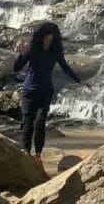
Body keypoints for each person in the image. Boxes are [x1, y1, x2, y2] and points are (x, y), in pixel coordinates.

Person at [14, 22, 90, 165]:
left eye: (50, 39)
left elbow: (65, 67)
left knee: (40, 122)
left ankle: (37, 155)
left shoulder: (55, 52)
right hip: (29, 92)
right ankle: (25, 154)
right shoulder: (33, 49)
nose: (47, 42)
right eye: (45, 39)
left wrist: (80, 81)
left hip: (46, 92)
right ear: (41, 37)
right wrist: (21, 55)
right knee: (27, 124)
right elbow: (16, 68)